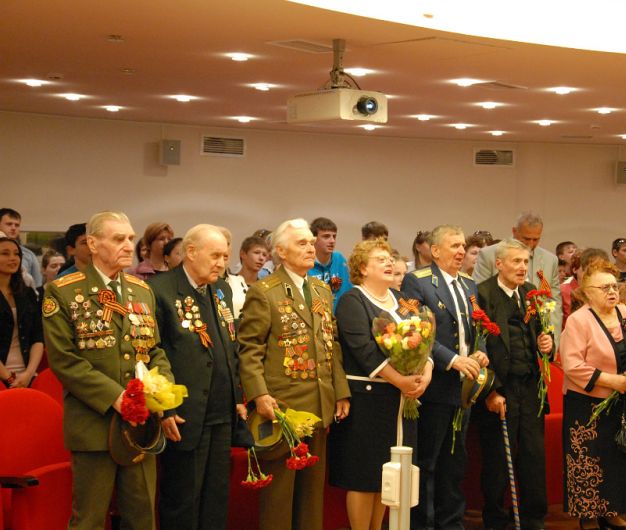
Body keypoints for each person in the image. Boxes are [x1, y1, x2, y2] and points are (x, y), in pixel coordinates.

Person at [42, 210, 174, 530]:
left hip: (142, 423)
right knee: (89, 518)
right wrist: (118, 398)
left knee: (142, 516)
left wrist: (163, 392)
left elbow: (154, 350)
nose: (129, 245)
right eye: (118, 239)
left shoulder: (142, 290)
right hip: (95, 424)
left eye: (130, 238)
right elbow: (65, 361)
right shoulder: (64, 291)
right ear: (92, 243)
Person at [237, 218, 351, 530]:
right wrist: (259, 394)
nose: (310, 247)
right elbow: (249, 349)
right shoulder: (265, 292)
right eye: (301, 243)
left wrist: (340, 390)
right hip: (282, 405)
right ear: (281, 253)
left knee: (312, 496)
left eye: (310, 242)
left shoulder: (321, 289)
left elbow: (331, 343)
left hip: (320, 402)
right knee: (280, 496)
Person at [329, 239, 433, 530]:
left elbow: (425, 340)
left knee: (388, 480)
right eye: (380, 259)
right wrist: (401, 380)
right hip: (368, 403)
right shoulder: (352, 300)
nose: (389, 263)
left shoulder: (401, 299)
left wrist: (427, 371)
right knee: (365, 478)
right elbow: (363, 350)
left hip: (402, 402)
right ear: (362, 268)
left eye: (390, 258)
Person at [149, 224, 247, 530]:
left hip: (221, 411)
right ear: (191, 252)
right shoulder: (160, 289)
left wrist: (238, 396)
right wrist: (165, 406)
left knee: (216, 497)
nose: (222, 263)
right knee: (183, 499)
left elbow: (229, 345)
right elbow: (152, 353)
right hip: (184, 414)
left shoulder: (222, 289)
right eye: (215, 255)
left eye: (225, 257)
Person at [401, 224, 489, 530]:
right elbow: (417, 330)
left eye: (463, 245)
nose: (461, 251)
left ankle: (451, 523)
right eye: (454, 245)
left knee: (455, 463)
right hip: (435, 385)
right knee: (426, 462)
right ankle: (422, 525)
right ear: (435, 250)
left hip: (464, 387)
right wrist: (452, 360)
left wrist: (481, 350)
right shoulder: (418, 282)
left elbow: (479, 326)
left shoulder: (469, 284)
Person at [474, 239, 554, 530]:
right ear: (499, 264)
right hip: (500, 389)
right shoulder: (482, 294)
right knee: (496, 459)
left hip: (531, 388)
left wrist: (548, 344)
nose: (523, 267)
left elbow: (544, 331)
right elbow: (478, 345)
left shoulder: (532, 292)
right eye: (516, 261)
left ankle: (534, 516)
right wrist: (491, 390)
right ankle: (494, 517)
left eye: (525, 262)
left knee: (533, 454)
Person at [561, 261, 626, 530]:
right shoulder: (578, 320)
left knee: (615, 459)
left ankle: (611, 512)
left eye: (615, 285)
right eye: (604, 287)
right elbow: (572, 364)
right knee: (587, 459)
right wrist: (610, 380)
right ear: (587, 292)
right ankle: (587, 516)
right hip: (585, 404)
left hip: (619, 401)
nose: (612, 291)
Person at [473, 212, 562, 347]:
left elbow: (555, 303)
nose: (531, 244)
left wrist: (552, 342)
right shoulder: (489, 255)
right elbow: (478, 298)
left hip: (535, 339)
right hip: (499, 338)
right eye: (526, 238)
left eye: (536, 239)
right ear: (515, 231)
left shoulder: (551, 260)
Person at [1, 237, 44, 388]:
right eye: (5, 254)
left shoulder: (27, 293)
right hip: (3, 375)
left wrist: (29, 373)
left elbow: (37, 336)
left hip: (27, 374)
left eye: (16, 254)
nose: (12, 258)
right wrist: (8, 378)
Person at [308, 217, 353, 310]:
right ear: (314, 240)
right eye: (326, 236)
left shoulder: (339, 258)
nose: (332, 241)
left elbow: (349, 290)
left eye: (334, 236)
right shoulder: (306, 262)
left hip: (339, 317)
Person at [0, 208, 41, 288]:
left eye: (17, 225)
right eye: (9, 224)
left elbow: (36, 285)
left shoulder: (29, 255)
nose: (13, 228)